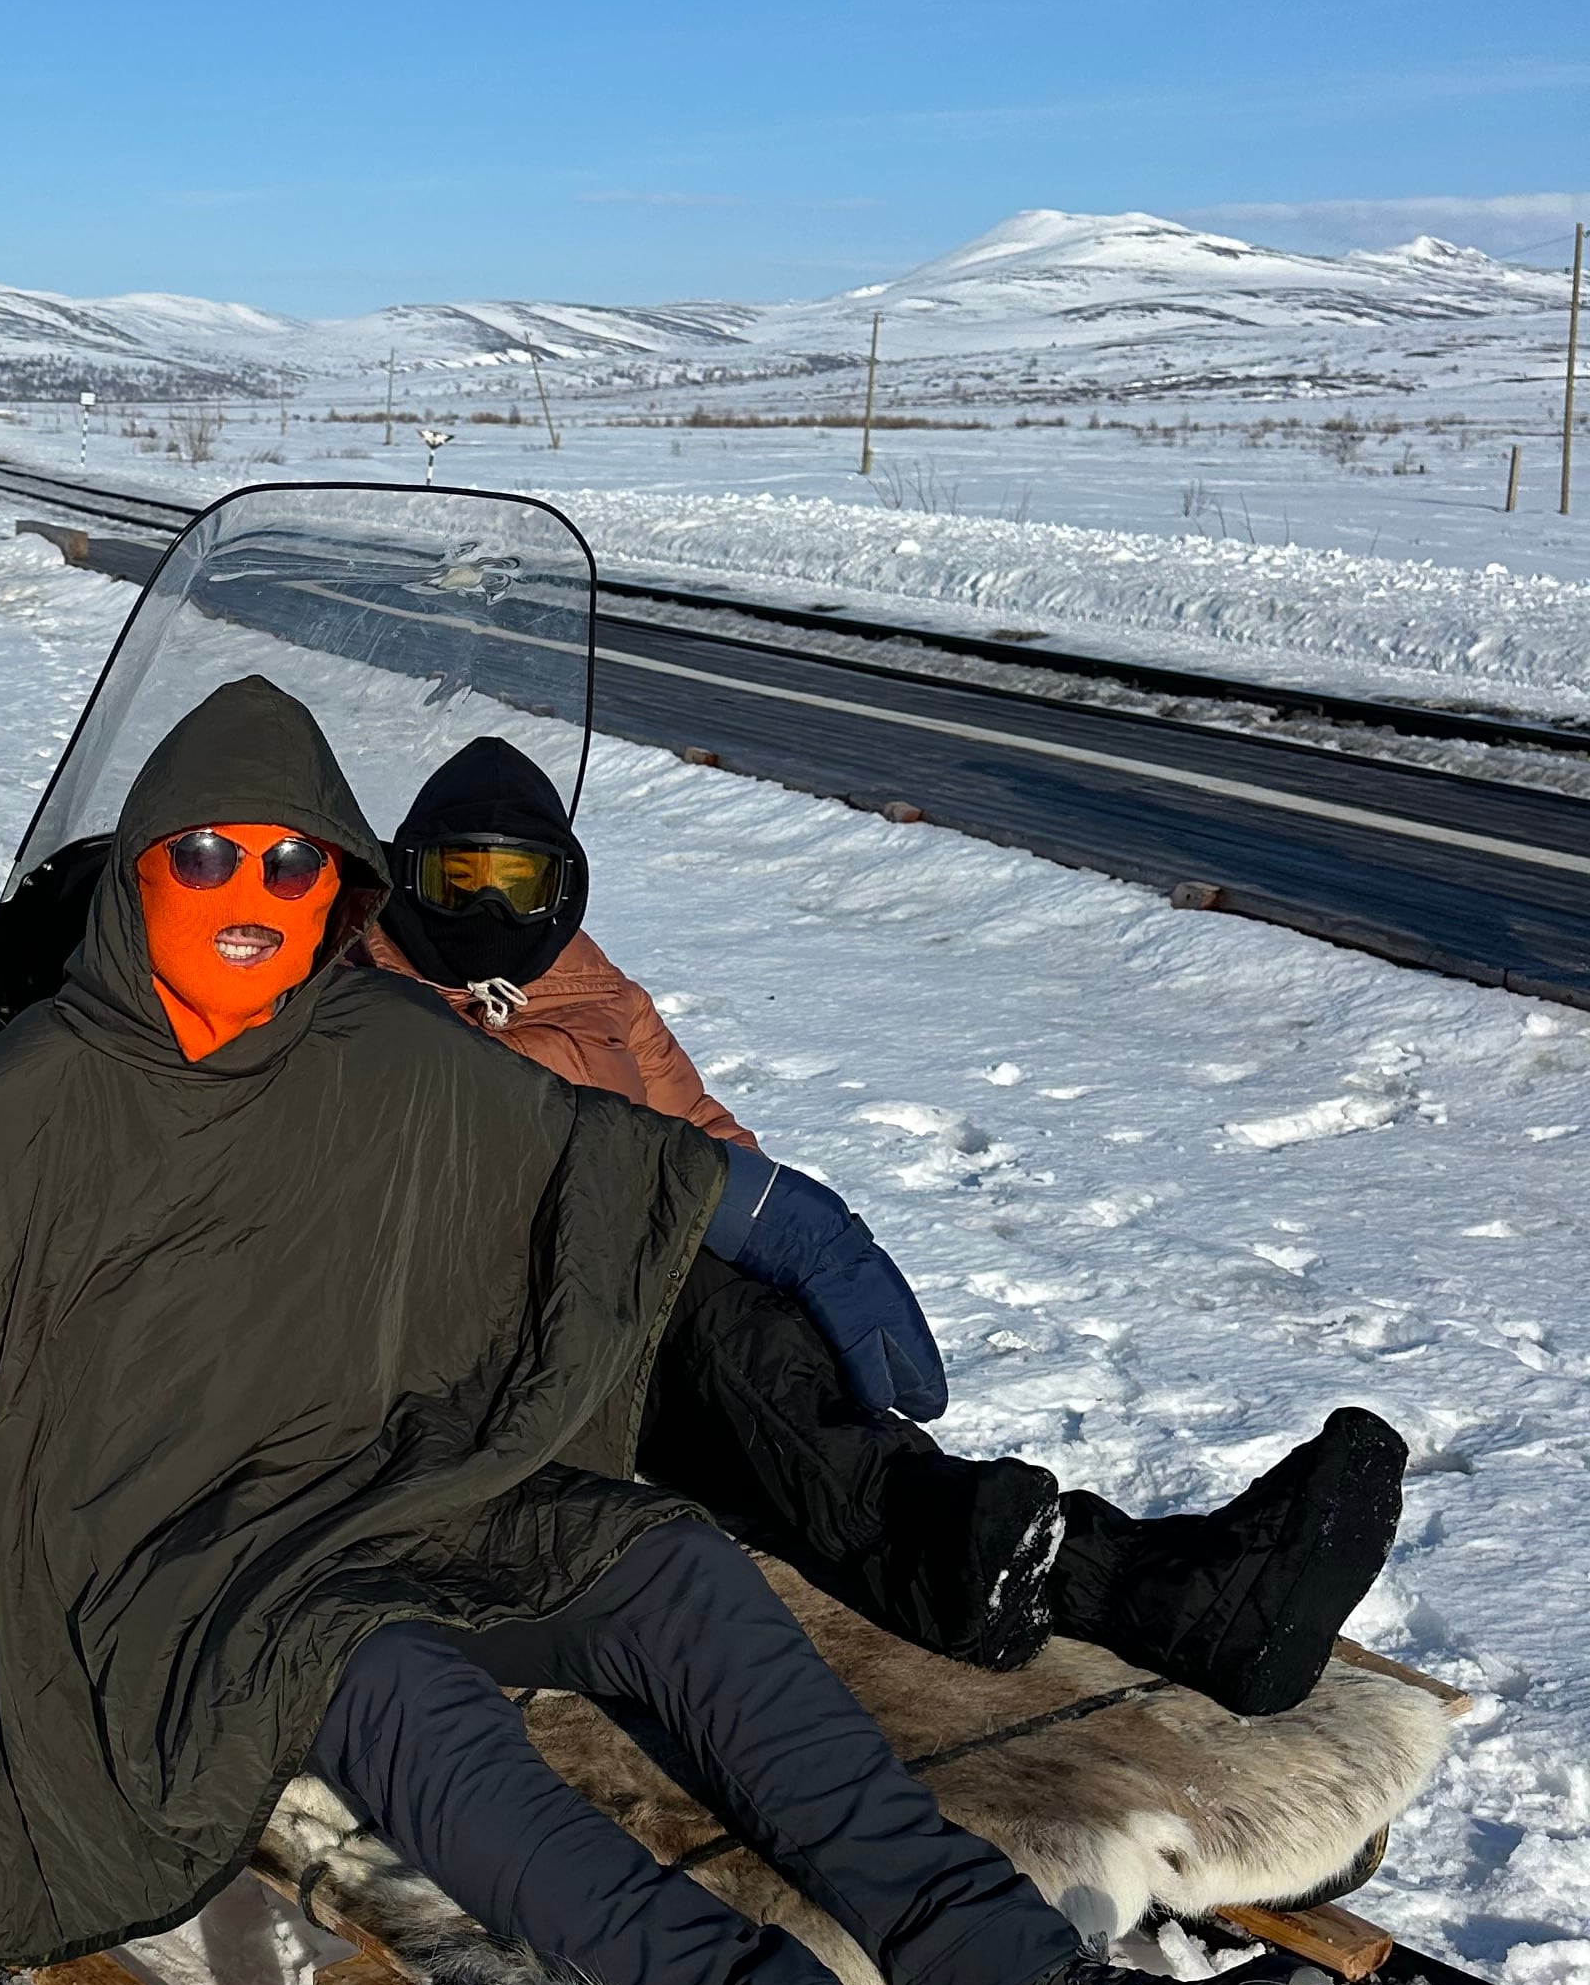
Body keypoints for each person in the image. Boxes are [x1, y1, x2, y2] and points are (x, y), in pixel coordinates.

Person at [0, 674, 1333, 1985]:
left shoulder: (369, 1045)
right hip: (175, 1569)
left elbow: (582, 1152)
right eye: (207, 858)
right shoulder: (20, 1108)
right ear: (138, 871)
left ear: (336, 879)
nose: (253, 899)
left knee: (665, 1567)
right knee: (400, 1691)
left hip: (384, 1476)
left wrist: (776, 1223)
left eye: (290, 864)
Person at [366, 735, 1408, 1716]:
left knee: (797, 1411)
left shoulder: (590, 983)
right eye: (461, 880)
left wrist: (787, 1240)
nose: (492, 908)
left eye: (521, 881)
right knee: (736, 1341)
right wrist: (708, 1220)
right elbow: (465, 1146)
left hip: (620, 1327)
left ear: (565, 886)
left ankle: (1142, 1587)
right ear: (410, 875)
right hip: (471, 1333)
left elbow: (706, 1130)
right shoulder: (357, 992)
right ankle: (1129, 1590)